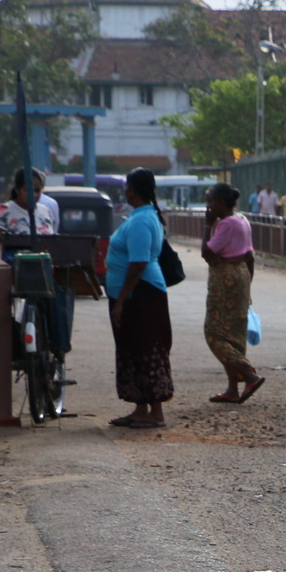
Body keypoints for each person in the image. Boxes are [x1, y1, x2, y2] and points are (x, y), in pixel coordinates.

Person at [105, 167, 173, 429]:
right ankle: (140, 407)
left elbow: (139, 262)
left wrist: (121, 300)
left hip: (141, 294)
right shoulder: (140, 216)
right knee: (131, 349)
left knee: (147, 349)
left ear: (132, 189)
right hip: (134, 293)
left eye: (127, 187)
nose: (125, 191)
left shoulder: (143, 220)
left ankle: (155, 412)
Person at [201, 182, 264, 404]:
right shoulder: (243, 220)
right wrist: (247, 287)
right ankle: (232, 388)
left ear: (219, 203)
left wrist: (208, 226)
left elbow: (207, 252)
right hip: (241, 276)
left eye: (210, 202)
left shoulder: (225, 224)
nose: (208, 207)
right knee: (235, 333)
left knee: (215, 333)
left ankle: (249, 374)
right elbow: (250, 257)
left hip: (225, 279)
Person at [0, 168, 60, 259]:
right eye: (27, 190)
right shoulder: (4, 211)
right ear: (17, 189)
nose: (33, 194)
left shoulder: (45, 211)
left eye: (37, 190)